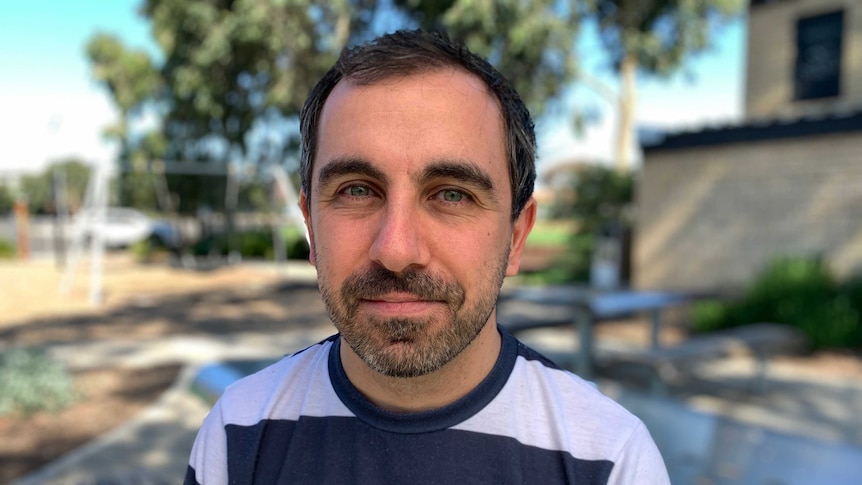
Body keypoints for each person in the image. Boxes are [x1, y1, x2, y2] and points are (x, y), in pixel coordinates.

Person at [184, 29, 669, 485]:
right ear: (311, 226)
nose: (396, 251)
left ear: (516, 235)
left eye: (452, 194)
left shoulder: (610, 460)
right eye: (357, 190)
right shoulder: (237, 433)